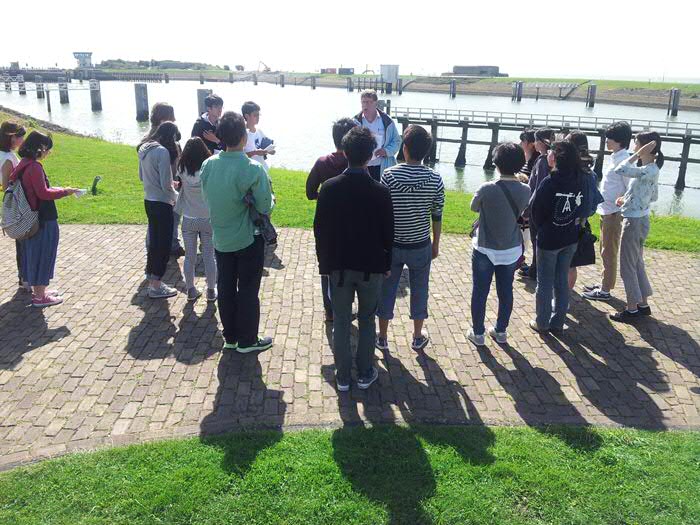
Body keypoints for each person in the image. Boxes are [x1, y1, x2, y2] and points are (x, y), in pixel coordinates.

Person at [314, 127, 393, 392]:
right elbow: (388, 234)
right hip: (371, 267)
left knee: (341, 320)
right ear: (371, 156)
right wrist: (387, 265)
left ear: (345, 153)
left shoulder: (329, 188)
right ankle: (366, 371)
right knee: (368, 320)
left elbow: (320, 230)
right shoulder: (381, 192)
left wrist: (324, 265)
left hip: (337, 267)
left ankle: (343, 375)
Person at [201, 112, 273, 353]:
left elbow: (207, 195)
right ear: (243, 137)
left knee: (226, 287)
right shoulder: (252, 168)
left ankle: (230, 336)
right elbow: (264, 206)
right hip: (247, 238)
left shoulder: (208, 165)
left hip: (220, 237)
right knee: (249, 290)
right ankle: (248, 339)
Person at [375, 125, 444, 352]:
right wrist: (436, 243)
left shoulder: (389, 175)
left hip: (393, 244)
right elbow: (437, 214)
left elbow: (382, 213)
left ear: (404, 149)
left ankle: (383, 336)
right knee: (420, 289)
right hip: (420, 244)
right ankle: (416, 336)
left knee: (387, 289)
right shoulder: (435, 178)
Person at [468, 143, 531, 346]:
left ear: (495, 163)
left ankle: (478, 333)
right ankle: (501, 330)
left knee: (480, 291)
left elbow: (473, 207)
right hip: (510, 249)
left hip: (485, 248)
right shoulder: (525, 189)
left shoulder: (487, 188)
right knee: (506, 291)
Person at [10, 131, 80, 307]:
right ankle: (40, 297)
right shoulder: (34, 167)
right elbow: (43, 193)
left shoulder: (24, 164)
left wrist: (61, 188)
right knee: (44, 254)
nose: (48, 152)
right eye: (47, 149)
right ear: (40, 148)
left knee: (33, 253)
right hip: (42, 218)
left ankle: (39, 291)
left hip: (29, 218)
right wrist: (65, 192)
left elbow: (34, 188)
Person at [306, 117, 359, 321]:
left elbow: (310, 192)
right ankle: (346, 306)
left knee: (326, 265)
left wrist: (325, 195)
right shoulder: (357, 163)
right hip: (352, 224)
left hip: (326, 223)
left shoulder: (322, 163)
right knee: (350, 265)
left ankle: (329, 310)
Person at [529, 140, 584, 333]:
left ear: (556, 158)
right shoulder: (580, 179)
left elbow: (535, 211)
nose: (548, 155)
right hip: (569, 237)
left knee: (544, 283)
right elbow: (583, 207)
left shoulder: (550, 182)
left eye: (551, 152)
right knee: (561, 281)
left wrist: (544, 228)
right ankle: (558, 322)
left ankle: (542, 322)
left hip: (549, 240)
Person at [608, 132, 662, 322]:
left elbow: (620, 169)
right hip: (641, 219)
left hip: (633, 222)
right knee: (637, 262)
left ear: (645, 147)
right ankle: (643, 304)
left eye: (637, 143)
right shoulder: (652, 169)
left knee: (627, 266)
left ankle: (631, 309)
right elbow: (653, 196)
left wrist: (636, 155)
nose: (634, 145)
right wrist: (629, 200)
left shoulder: (646, 169)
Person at [583, 121, 633, 301]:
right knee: (604, 249)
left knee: (609, 251)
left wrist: (620, 205)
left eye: (609, 138)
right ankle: (605, 282)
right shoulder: (616, 157)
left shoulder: (625, 161)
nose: (606, 141)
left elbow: (630, 189)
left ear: (619, 140)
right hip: (606, 210)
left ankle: (605, 290)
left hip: (614, 213)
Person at [137, 122, 181, 299]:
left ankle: (151, 276)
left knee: (154, 242)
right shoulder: (162, 152)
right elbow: (165, 185)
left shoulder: (143, 149)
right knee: (163, 245)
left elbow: (142, 176)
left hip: (149, 200)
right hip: (163, 203)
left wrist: (168, 184)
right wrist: (177, 197)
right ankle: (156, 285)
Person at [174, 137, 218, 302]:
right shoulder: (209, 168)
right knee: (209, 256)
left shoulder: (181, 167)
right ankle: (211, 290)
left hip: (189, 218)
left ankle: (191, 289)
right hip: (207, 218)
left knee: (190, 257)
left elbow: (179, 183)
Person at [142, 102, 184, 257]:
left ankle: (172, 244)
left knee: (174, 217)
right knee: (158, 222)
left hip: (173, 180)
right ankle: (156, 250)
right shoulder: (151, 141)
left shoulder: (168, 135)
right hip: (161, 188)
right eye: (171, 116)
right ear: (163, 117)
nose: (174, 119)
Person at [566, 131, 604, 289]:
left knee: (563, 263)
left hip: (566, 224)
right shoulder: (591, 174)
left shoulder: (569, 173)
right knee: (571, 264)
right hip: (580, 224)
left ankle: (561, 298)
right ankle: (564, 297)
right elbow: (594, 203)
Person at [520, 128, 555, 280]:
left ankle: (536, 270)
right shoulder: (549, 159)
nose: (534, 144)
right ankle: (536, 267)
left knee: (536, 240)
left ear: (541, 142)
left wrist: (528, 209)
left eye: (536, 140)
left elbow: (538, 186)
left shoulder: (542, 161)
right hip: (546, 207)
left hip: (537, 207)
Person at [0, 120, 28, 290]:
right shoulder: (8, 158)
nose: (22, 141)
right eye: (20, 138)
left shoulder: (8, 154)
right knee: (22, 241)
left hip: (16, 202)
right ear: (11, 138)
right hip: (17, 204)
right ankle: (24, 277)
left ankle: (24, 276)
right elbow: (6, 185)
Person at [354, 89, 401, 181]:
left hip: (382, 166)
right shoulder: (355, 122)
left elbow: (397, 141)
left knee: (381, 194)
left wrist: (386, 151)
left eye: (369, 102)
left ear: (376, 103)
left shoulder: (387, 121)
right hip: (361, 167)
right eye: (363, 102)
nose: (366, 105)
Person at [242, 101, 275, 172]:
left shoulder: (259, 131)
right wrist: (255, 152)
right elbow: (239, 156)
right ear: (247, 116)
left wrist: (269, 151)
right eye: (255, 115)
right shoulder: (243, 133)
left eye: (258, 115)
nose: (258, 117)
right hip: (250, 172)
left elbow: (266, 147)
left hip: (263, 170)